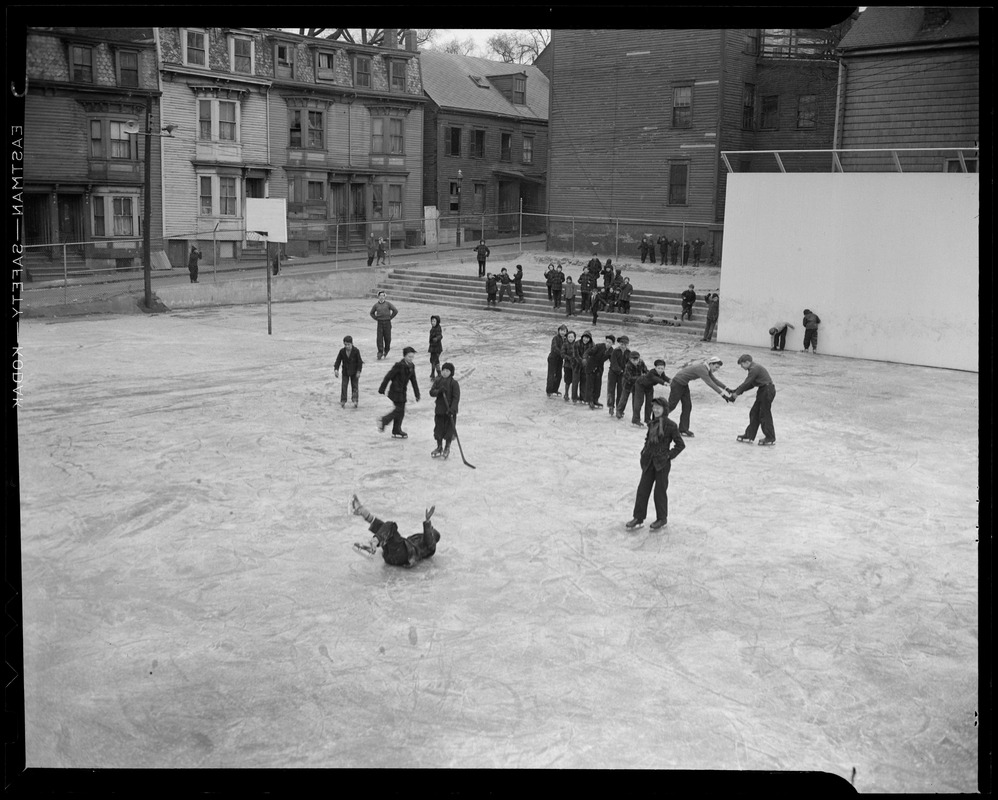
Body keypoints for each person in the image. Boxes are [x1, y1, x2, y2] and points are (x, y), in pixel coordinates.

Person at [625, 398, 685, 531]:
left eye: (658, 407)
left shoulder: (671, 425)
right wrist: (644, 452)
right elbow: (648, 440)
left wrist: (669, 455)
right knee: (642, 490)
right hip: (649, 461)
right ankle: (638, 518)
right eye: (654, 407)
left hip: (662, 464)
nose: (655, 410)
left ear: (664, 409)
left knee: (659, 492)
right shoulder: (652, 423)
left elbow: (680, 444)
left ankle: (662, 518)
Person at [350, 495, 440, 568]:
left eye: (431, 529)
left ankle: (374, 544)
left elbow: (429, 538)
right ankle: (362, 512)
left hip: (403, 556)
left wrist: (427, 521)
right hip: (391, 557)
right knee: (384, 528)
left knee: (391, 526)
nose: (428, 530)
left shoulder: (431, 546)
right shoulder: (419, 542)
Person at [731, 354, 776, 446]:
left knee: (764, 414)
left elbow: (747, 382)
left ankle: (770, 437)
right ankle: (749, 435)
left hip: (767, 390)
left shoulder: (754, 369)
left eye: (742, 364)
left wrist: (736, 393)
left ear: (747, 362)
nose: (741, 367)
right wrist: (737, 390)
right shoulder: (754, 368)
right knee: (754, 412)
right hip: (763, 390)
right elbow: (751, 384)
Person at [377, 346, 420, 439]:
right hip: (395, 391)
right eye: (409, 357)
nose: (411, 359)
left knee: (401, 411)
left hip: (402, 392)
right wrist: (382, 388)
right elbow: (388, 376)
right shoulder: (399, 365)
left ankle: (396, 429)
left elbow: (414, 381)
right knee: (399, 410)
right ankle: (384, 420)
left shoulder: (412, 366)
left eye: (412, 357)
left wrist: (417, 394)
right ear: (404, 356)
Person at [429, 362, 460, 459]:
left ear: (451, 372)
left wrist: (453, 409)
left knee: (448, 431)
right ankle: (439, 447)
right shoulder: (438, 381)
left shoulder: (454, 383)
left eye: (447, 371)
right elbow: (431, 392)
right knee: (438, 430)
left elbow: (456, 398)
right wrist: (439, 391)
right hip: (439, 411)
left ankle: (447, 447)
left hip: (449, 412)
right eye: (443, 370)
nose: (445, 372)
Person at [632, 358, 670, 427]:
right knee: (639, 402)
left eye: (662, 368)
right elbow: (656, 379)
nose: (660, 370)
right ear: (655, 367)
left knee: (650, 403)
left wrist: (670, 380)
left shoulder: (662, 373)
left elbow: (664, 377)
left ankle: (647, 420)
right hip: (640, 384)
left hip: (649, 387)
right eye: (659, 368)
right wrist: (664, 383)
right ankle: (635, 420)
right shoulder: (651, 373)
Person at [583, 334, 614, 409]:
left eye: (610, 342)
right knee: (590, 384)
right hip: (591, 366)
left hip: (599, 368)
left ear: (612, 344)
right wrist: (584, 358)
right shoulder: (599, 346)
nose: (608, 344)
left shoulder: (611, 350)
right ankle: (590, 400)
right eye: (607, 341)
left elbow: (612, 360)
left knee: (598, 384)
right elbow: (588, 352)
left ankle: (595, 399)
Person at [333, 335, 364, 408]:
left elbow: (359, 362)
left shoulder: (356, 351)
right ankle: (343, 400)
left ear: (352, 344)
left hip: (354, 372)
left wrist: (359, 371)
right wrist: (336, 369)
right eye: (345, 344)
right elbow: (338, 361)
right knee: (344, 386)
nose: (347, 346)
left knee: (355, 387)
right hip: (345, 372)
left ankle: (355, 400)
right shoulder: (342, 351)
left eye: (348, 344)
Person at [617, 350, 647, 419]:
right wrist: (641, 377)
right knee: (624, 398)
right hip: (627, 383)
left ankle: (635, 415)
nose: (636, 361)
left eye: (637, 359)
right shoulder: (628, 365)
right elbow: (629, 378)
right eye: (634, 360)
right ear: (630, 359)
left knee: (636, 401)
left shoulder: (641, 362)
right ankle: (619, 411)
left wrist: (647, 376)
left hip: (637, 384)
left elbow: (646, 371)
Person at [370, 290, 399, 360]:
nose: (381, 297)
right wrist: (376, 318)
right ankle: (380, 352)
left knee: (387, 338)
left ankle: (386, 350)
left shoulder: (388, 304)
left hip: (387, 323)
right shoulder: (376, 305)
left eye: (383, 296)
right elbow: (371, 313)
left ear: (385, 297)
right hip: (380, 323)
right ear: (378, 297)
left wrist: (390, 317)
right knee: (379, 338)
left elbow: (395, 310)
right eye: (380, 296)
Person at [606, 335, 629, 417]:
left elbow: (628, 364)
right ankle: (611, 406)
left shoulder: (628, 352)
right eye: (622, 344)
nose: (623, 346)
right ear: (619, 344)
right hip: (613, 373)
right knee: (611, 390)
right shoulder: (615, 351)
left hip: (622, 375)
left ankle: (619, 410)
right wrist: (620, 370)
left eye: (625, 344)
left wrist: (625, 371)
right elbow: (613, 363)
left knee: (621, 392)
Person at [546, 324, 568, 397]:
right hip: (553, 358)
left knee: (559, 375)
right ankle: (549, 390)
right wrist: (562, 354)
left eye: (564, 331)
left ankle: (555, 389)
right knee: (551, 375)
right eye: (561, 330)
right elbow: (555, 348)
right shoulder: (555, 338)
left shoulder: (565, 339)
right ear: (559, 331)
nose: (562, 332)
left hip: (560, 359)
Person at [561, 330, 580, 403]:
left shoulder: (577, 345)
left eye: (572, 337)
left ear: (574, 338)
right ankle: (566, 393)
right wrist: (569, 358)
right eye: (569, 337)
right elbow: (562, 354)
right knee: (568, 381)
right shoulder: (565, 345)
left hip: (575, 366)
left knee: (575, 381)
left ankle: (574, 395)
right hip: (567, 366)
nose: (570, 338)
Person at [428, 315, 443, 380]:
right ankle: (432, 373)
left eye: (434, 321)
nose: (433, 322)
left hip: (437, 348)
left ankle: (439, 373)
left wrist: (437, 338)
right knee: (432, 360)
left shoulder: (438, 328)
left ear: (437, 322)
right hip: (432, 347)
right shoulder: (432, 328)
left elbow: (440, 336)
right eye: (432, 321)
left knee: (435, 360)